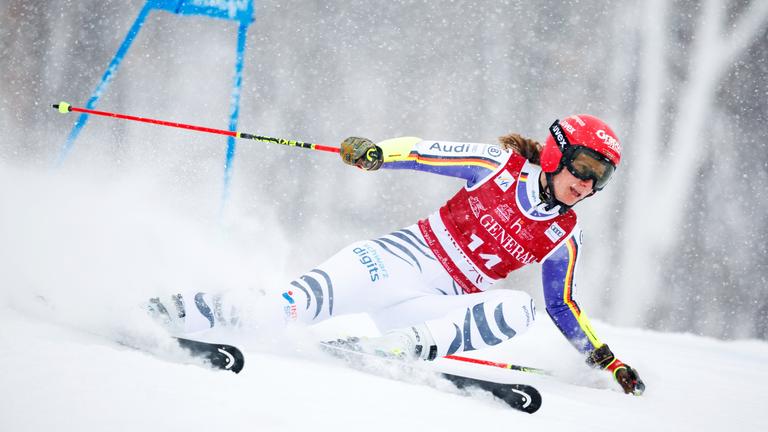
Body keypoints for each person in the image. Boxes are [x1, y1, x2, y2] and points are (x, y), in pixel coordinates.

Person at [149, 114, 645, 395]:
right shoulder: (499, 166)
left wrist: (605, 360)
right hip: (393, 263)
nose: (586, 183)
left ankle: (395, 348)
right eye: (583, 167)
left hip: (431, 306)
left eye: (600, 177)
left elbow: (564, 307)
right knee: (281, 312)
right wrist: (376, 153)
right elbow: (422, 150)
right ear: (557, 154)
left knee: (521, 307)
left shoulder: (564, 234)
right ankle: (176, 310)